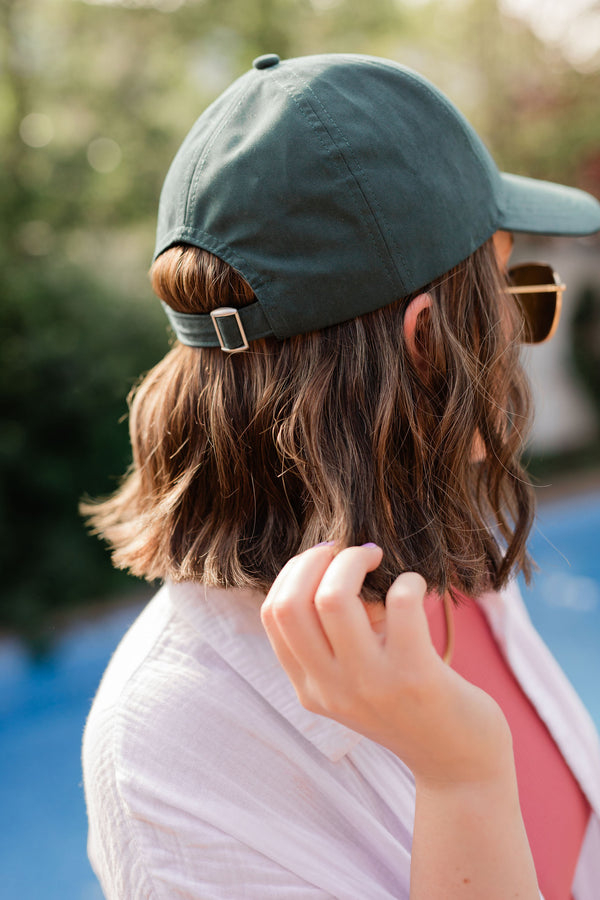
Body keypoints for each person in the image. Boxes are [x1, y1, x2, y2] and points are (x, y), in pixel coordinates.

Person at [82, 53, 600, 899]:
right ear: (429, 343)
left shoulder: (439, 544)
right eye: (507, 290)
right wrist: (461, 775)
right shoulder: (169, 756)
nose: (518, 333)